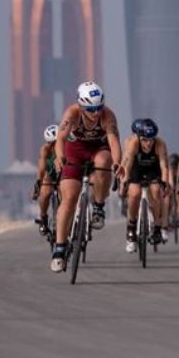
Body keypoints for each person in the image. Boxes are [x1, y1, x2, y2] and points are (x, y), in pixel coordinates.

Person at [50, 82, 122, 272]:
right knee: (69, 198)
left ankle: (98, 206)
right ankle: (59, 248)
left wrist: (117, 164)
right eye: (91, 109)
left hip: (99, 149)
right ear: (81, 106)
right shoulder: (72, 114)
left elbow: (114, 142)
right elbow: (60, 139)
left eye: (99, 107)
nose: (96, 113)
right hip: (75, 151)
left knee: (104, 162)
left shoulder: (108, 116)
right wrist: (60, 157)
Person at [119, 118, 171, 252]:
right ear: (139, 137)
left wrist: (165, 183)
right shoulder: (133, 143)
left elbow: (164, 166)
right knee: (134, 193)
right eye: (145, 140)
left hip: (153, 169)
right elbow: (129, 163)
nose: (148, 143)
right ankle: (131, 227)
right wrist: (124, 180)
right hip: (137, 168)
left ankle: (157, 227)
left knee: (156, 191)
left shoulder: (160, 144)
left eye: (151, 140)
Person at [32, 124, 60, 237]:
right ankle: (43, 217)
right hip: (49, 172)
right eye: (51, 143)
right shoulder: (45, 149)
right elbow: (42, 168)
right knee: (45, 193)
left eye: (56, 142)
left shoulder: (66, 147)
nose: (53, 146)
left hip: (63, 173)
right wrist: (38, 183)